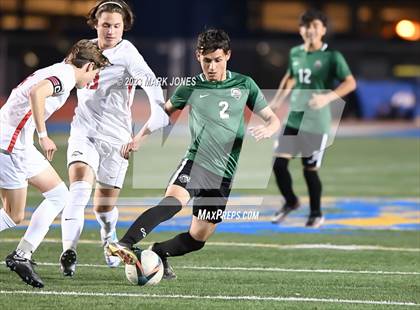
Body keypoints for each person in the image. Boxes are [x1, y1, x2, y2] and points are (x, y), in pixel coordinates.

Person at [107, 28, 280, 279]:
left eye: (217, 60)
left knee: (198, 238)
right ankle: (125, 242)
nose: (211, 66)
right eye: (206, 60)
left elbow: (273, 119)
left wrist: (268, 129)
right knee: (172, 203)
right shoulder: (191, 86)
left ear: (228, 56)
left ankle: (158, 252)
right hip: (196, 163)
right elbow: (162, 115)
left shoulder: (245, 84)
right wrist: (138, 139)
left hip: (224, 174)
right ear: (198, 56)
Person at [59, 0, 169, 276]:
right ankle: (68, 253)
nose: (110, 31)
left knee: (103, 208)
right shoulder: (82, 49)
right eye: (105, 24)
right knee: (79, 190)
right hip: (83, 133)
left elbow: (152, 86)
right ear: (96, 24)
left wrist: (153, 121)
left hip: (117, 141)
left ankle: (109, 238)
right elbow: (60, 79)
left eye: (116, 26)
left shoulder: (128, 53)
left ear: (124, 27)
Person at [0, 40, 110, 288]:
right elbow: (36, 93)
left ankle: (22, 255)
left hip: (18, 142)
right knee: (12, 215)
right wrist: (43, 135)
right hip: (11, 143)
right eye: (94, 72)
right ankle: (20, 256)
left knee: (59, 195)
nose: (92, 79)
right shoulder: (66, 76)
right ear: (89, 65)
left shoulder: (60, 69)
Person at [270, 9, 356, 227]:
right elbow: (289, 77)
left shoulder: (332, 57)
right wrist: (277, 101)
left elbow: (350, 82)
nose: (311, 30)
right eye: (307, 26)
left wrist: (327, 98)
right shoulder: (295, 53)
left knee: (310, 170)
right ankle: (291, 201)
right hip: (294, 118)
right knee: (279, 165)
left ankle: (316, 213)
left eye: (316, 26)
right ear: (301, 30)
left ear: (323, 30)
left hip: (316, 122)